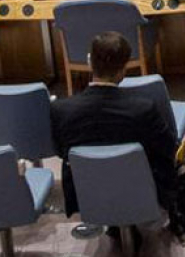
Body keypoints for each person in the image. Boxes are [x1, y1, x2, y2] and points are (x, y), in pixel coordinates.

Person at [50, 32, 178, 222]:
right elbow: (169, 150)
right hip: (140, 190)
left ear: (89, 63)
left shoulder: (60, 110)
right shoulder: (143, 109)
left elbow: (61, 152)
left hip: (85, 195)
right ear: (123, 70)